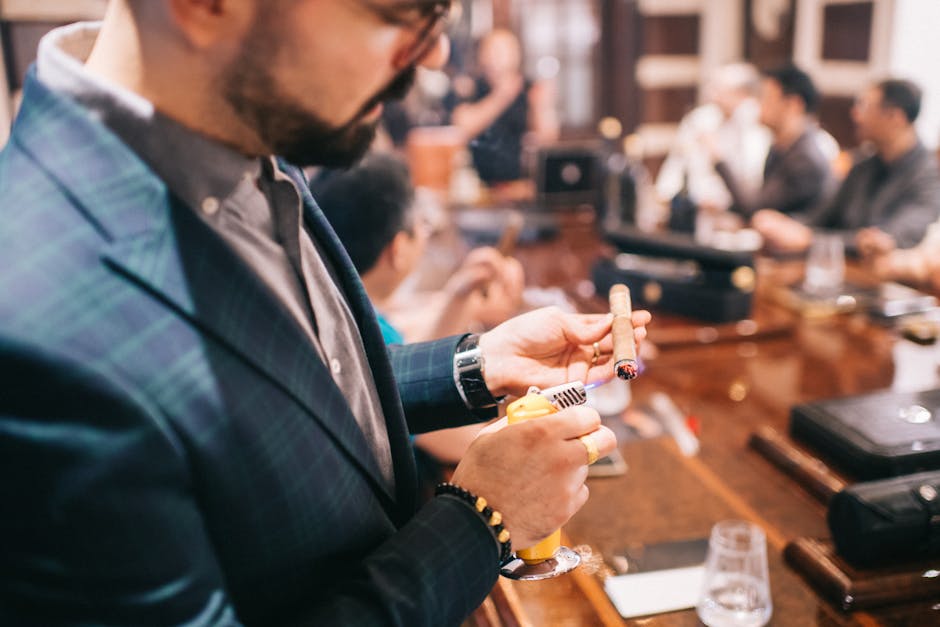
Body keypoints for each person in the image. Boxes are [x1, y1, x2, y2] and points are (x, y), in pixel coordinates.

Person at [0, 2, 650, 626]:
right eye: (397, 10)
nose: (434, 53)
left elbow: (290, 396)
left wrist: (478, 365)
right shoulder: (37, 333)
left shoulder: (248, 134)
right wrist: (481, 519)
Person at [314, 152, 523, 472]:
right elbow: (457, 441)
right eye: (421, 224)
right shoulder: (370, 337)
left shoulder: (341, 306)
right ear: (398, 249)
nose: (425, 232)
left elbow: (420, 362)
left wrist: (460, 295)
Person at [754, 78, 940, 254]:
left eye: (865, 106)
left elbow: (888, 240)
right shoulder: (863, 166)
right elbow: (824, 217)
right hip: (841, 268)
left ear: (895, 117)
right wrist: (785, 224)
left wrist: (811, 240)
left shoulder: (928, 177)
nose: (855, 114)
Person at [712, 63, 834, 219]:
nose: (758, 105)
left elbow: (755, 208)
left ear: (794, 104)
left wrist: (718, 159)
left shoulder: (805, 158)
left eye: (766, 98)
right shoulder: (783, 148)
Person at [655, 63, 771, 214]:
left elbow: (752, 178)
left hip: (735, 210)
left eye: (721, 91)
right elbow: (677, 161)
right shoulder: (700, 119)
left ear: (742, 94)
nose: (713, 96)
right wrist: (665, 194)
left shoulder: (756, 125)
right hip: (695, 207)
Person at [448, 28, 559, 184]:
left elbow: (548, 138)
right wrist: (501, 97)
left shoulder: (530, 89)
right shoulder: (471, 87)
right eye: (490, 50)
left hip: (519, 182)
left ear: (516, 55)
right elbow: (461, 129)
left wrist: (540, 107)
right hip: (475, 182)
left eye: (501, 51)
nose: (494, 58)